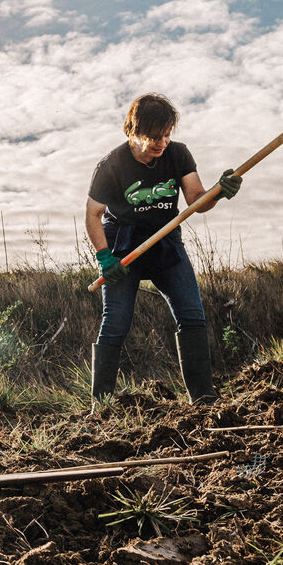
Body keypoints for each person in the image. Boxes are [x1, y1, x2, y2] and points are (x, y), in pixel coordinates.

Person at [84, 93, 242, 406]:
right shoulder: (111, 165)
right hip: (123, 245)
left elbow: (196, 201)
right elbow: (92, 214)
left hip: (165, 240)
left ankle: (204, 400)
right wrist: (104, 258)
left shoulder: (178, 154)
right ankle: (100, 407)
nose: (162, 143)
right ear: (134, 131)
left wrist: (219, 192)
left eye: (167, 135)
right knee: (115, 323)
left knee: (192, 315)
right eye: (155, 136)